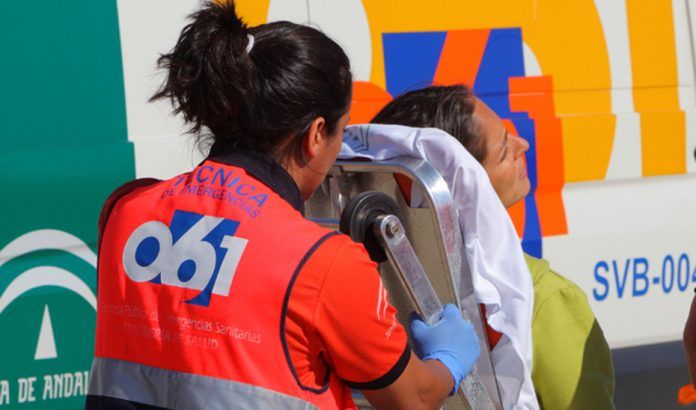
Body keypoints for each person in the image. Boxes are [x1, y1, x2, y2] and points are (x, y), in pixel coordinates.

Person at [85, 3, 481, 409]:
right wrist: (447, 361)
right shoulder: (323, 262)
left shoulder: (125, 211)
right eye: (341, 131)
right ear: (316, 134)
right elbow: (414, 397)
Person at [371, 84, 615, 409]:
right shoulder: (545, 297)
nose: (523, 144)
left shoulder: (374, 288)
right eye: (503, 151)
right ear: (469, 188)